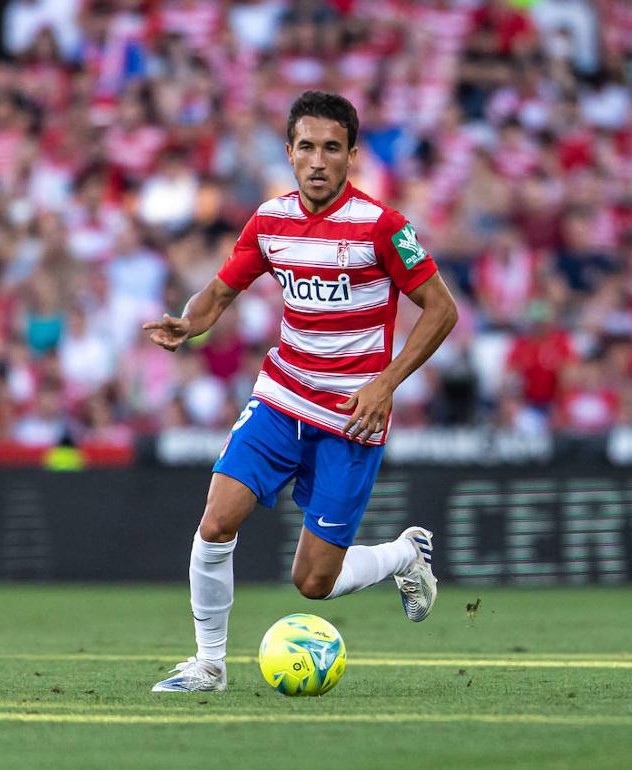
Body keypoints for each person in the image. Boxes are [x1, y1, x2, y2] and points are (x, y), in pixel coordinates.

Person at [142, 91, 458, 693]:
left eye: (331, 148)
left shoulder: (384, 226)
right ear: (288, 152)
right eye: (306, 147)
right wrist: (188, 321)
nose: (318, 160)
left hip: (351, 417)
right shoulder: (269, 220)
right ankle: (208, 665)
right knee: (216, 521)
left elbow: (442, 310)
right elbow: (219, 290)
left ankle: (401, 556)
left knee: (312, 582)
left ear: (351, 156)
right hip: (281, 398)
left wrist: (386, 382)